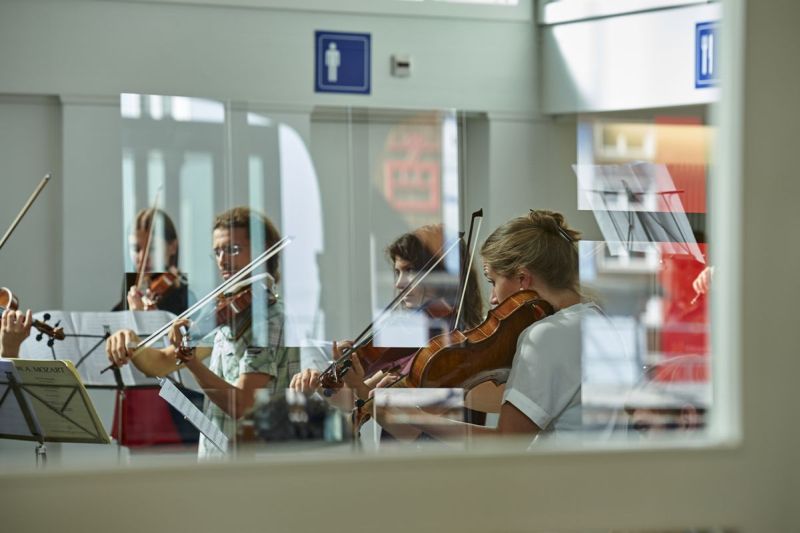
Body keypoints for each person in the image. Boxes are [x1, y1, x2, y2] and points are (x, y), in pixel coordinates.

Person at [377, 210, 600, 443]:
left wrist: (414, 416)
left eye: (493, 281)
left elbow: (508, 441)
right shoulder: (596, 317)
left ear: (523, 279)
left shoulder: (546, 335)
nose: (492, 298)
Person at [106, 207, 300, 459]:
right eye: (217, 251)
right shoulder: (229, 311)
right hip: (217, 459)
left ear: (263, 250)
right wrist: (130, 342)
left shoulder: (270, 318)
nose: (222, 260)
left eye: (232, 249)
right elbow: (162, 362)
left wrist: (191, 362)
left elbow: (242, 404)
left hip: (253, 466)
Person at [290, 224, 484, 403]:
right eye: (398, 272)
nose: (399, 283)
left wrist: (359, 387)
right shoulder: (409, 338)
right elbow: (349, 402)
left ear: (442, 274)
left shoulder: (462, 344)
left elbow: (419, 423)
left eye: (409, 271)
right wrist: (314, 380)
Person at [112, 207, 190, 315]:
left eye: (152, 249)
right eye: (136, 249)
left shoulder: (186, 298)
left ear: (172, 247)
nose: (143, 257)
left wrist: (141, 319)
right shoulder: (128, 294)